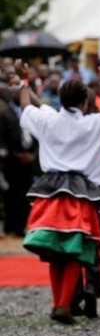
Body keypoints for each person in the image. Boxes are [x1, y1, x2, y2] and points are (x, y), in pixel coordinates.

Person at [16, 59, 100, 324]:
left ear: (60, 99)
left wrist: (24, 80)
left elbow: (26, 106)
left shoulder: (48, 119)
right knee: (75, 249)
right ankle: (64, 304)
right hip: (82, 193)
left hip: (50, 191)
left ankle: (58, 303)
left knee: (54, 251)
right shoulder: (95, 123)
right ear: (84, 102)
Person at [0, 78, 37, 237]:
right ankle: (10, 228)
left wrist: (33, 154)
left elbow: (38, 135)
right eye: (14, 93)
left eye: (19, 93)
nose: (17, 96)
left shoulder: (32, 112)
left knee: (26, 195)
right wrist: (13, 154)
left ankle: (21, 226)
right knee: (11, 195)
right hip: (12, 160)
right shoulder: (4, 113)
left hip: (29, 160)